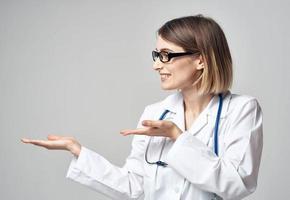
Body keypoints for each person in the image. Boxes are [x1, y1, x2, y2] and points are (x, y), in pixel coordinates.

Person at [21, 14, 263, 200]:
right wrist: (79, 152)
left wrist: (176, 136)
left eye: (167, 55)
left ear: (201, 59)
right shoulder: (154, 113)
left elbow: (237, 184)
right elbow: (135, 187)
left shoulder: (242, 110)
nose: (157, 65)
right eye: (156, 55)